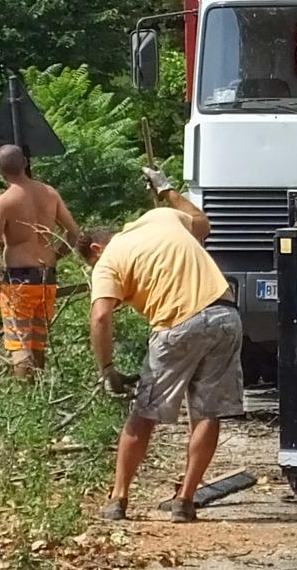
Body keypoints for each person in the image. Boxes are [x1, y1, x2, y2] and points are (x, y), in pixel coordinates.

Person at [78, 166, 243, 523]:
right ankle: (185, 500)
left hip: (177, 325)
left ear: (96, 248)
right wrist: (167, 189)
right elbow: (202, 223)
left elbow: (101, 317)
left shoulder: (107, 261)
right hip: (225, 314)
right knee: (206, 412)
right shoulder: (162, 216)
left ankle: (118, 499)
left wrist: (107, 370)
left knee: (145, 413)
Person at [0, 144, 80, 379]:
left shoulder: (4, 202)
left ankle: (26, 400)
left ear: (0, 171)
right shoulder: (50, 193)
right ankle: (41, 393)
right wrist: (54, 257)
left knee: (20, 344)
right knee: (38, 342)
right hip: (46, 279)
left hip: (19, 281)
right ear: (25, 163)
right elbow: (74, 233)